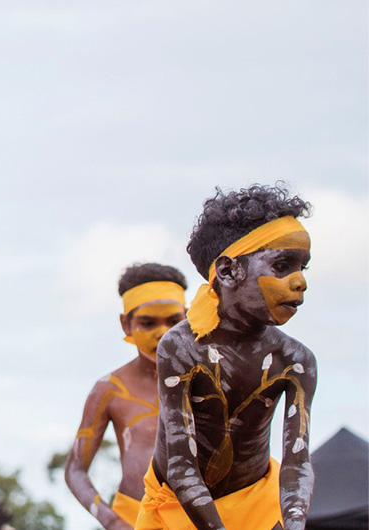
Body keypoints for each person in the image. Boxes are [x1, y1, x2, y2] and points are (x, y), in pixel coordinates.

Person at [135, 184, 316, 530]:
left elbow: (298, 464)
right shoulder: (182, 348)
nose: (300, 281)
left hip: (258, 506)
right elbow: (181, 467)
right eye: (282, 265)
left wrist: (294, 524)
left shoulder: (295, 359)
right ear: (229, 271)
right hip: (179, 509)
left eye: (303, 267)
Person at [65, 263, 188, 529]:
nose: (162, 332)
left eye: (173, 321)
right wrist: (113, 522)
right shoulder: (110, 389)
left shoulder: (210, 381)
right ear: (126, 324)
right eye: (147, 322)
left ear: (188, 318)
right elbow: (75, 470)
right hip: (134, 517)